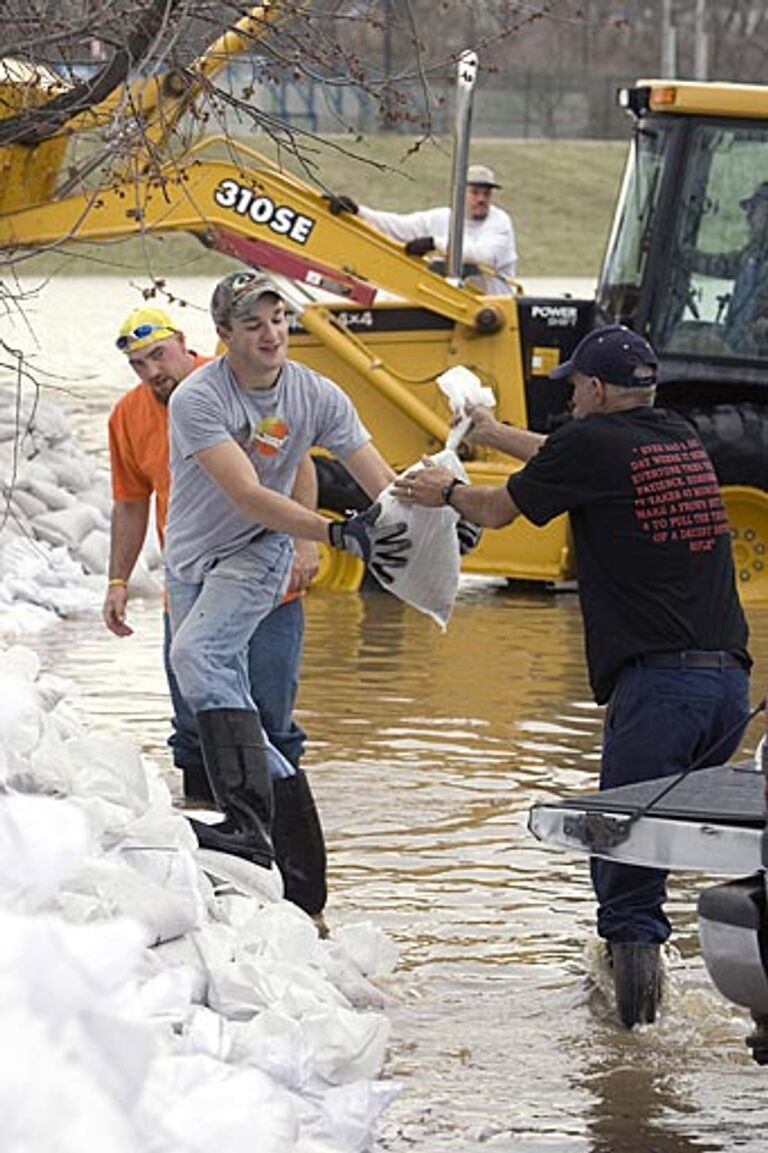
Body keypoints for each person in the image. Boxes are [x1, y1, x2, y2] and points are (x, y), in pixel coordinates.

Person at [393, 323, 752, 1029]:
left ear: (592, 388)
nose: (574, 403)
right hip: (728, 692)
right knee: (653, 862)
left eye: (576, 390)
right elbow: (569, 459)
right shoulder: (675, 434)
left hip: (661, 689)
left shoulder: (592, 443)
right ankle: (648, 1029)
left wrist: (446, 489)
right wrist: (493, 434)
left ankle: (633, 1062)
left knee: (625, 876)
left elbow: (498, 510)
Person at [163, 269, 413, 884]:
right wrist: (332, 531)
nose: (272, 334)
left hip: (259, 549)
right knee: (218, 685)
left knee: (195, 655)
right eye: (253, 324)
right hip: (194, 556)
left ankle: (247, 825)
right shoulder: (197, 398)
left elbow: (382, 480)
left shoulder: (318, 394)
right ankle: (300, 856)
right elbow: (245, 491)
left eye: (279, 320)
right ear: (224, 334)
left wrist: (436, 524)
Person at [103, 305, 330, 927]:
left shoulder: (231, 387)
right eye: (138, 364)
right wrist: (119, 578)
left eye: (159, 356)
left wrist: (308, 544)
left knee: (274, 723)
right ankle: (226, 854)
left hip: (267, 580)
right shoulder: (128, 415)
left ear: (186, 345)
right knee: (195, 721)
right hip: (191, 586)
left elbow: (299, 461)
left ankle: (298, 880)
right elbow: (130, 503)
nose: (152, 372)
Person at [328, 163, 517, 294]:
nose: (481, 199)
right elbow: (397, 227)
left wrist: (435, 243)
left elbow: (487, 258)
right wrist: (358, 211)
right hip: (458, 307)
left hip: (495, 309)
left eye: (486, 193)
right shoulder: (441, 217)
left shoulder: (499, 222)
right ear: (459, 193)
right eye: (475, 192)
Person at [686, 180, 768, 354]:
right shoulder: (753, 254)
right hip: (736, 347)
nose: (749, 216)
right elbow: (719, 265)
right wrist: (679, 254)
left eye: (756, 208)